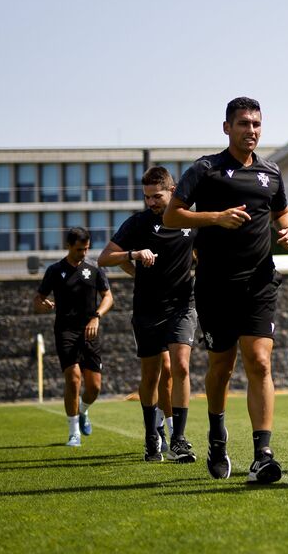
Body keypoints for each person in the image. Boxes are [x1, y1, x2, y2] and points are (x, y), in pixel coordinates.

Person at [164, 96, 288, 484]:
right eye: (243, 124)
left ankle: (262, 454)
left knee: (259, 361)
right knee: (221, 366)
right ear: (227, 128)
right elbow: (173, 215)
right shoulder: (206, 170)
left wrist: (286, 227)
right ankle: (217, 437)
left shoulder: (271, 172)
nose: (250, 130)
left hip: (259, 281)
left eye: (256, 124)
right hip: (215, 284)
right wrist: (216, 218)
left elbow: (281, 211)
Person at [99, 166, 197, 462]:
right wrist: (134, 256)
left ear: (172, 190)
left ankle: (178, 438)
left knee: (179, 366)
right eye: (147, 197)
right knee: (152, 374)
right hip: (147, 309)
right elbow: (105, 258)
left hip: (182, 306)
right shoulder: (138, 223)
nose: (151, 202)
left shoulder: (191, 221)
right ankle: (151, 436)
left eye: (157, 196)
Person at [35, 227, 111, 447]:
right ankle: (73, 432)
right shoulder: (54, 270)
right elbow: (38, 299)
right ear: (68, 246)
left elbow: (108, 297)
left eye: (86, 249)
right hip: (65, 331)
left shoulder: (95, 268)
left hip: (90, 330)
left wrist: (97, 316)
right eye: (79, 249)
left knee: (94, 386)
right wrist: (43, 305)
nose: (83, 253)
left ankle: (84, 411)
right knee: (73, 377)